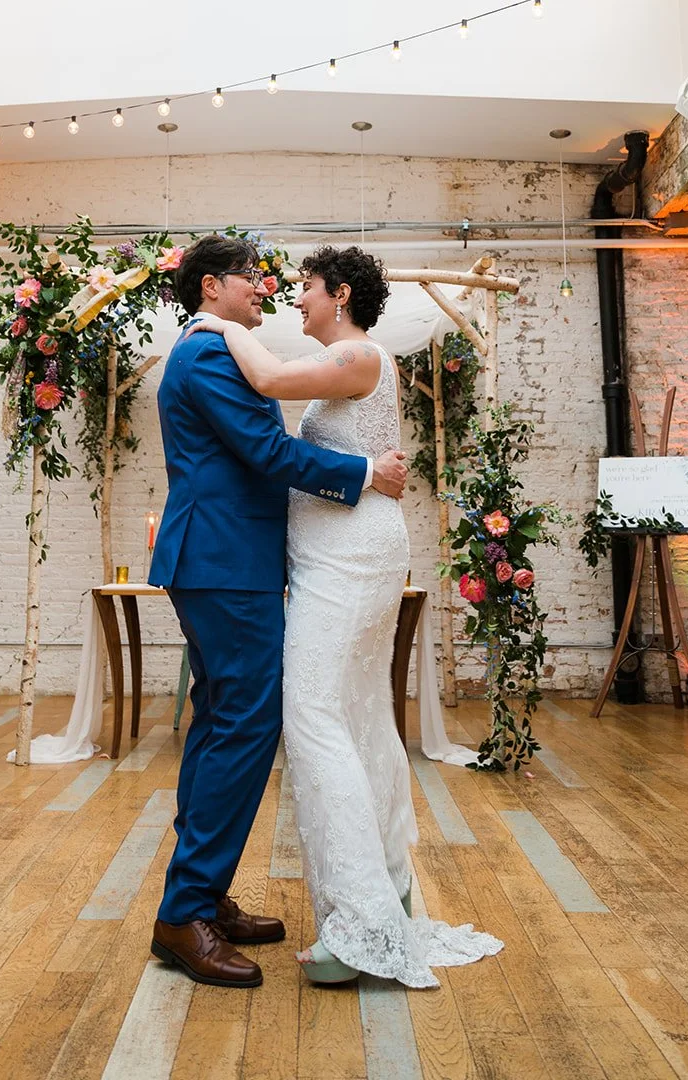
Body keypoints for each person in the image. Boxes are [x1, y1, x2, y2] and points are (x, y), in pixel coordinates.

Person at [187, 244, 503, 987]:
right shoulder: (351, 367)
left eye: (302, 288)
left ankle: (359, 920)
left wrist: (216, 324)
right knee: (357, 717)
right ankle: (385, 884)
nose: (292, 298)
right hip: (334, 561)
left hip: (348, 563)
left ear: (338, 295)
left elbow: (262, 377)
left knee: (315, 717)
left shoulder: (361, 356)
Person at [147, 235, 409, 989]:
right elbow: (268, 454)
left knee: (224, 716)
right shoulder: (206, 355)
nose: (265, 292)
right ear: (208, 288)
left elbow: (261, 446)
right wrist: (364, 472)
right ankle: (184, 912)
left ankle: (202, 898)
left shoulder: (218, 349)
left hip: (233, 560)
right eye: (249, 282)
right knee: (246, 722)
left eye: (280, 282)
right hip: (224, 562)